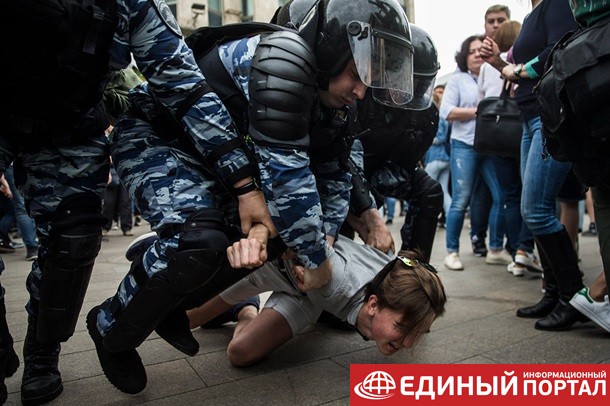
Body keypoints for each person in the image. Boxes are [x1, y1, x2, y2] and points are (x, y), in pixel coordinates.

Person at [84, 0, 415, 396]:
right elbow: (289, 179)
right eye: (356, 75)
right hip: (159, 139)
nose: (360, 91)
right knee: (198, 241)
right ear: (331, 52)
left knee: (266, 244)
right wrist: (318, 264)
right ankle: (110, 327)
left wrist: (323, 240)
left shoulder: (335, 105)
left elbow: (333, 178)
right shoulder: (285, 60)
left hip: (221, 165)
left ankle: (168, 298)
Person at [184, 224, 447, 366]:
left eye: (415, 332)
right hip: (277, 268)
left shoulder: (396, 279)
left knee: (240, 353)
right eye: (401, 328)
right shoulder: (336, 283)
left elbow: (422, 279)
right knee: (187, 320)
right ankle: (243, 298)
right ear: (373, 304)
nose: (408, 343)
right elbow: (299, 224)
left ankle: (246, 310)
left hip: (310, 294)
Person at [480, 0, 585, 331]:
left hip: (548, 119)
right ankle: (554, 294)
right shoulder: (532, 15)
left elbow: (559, 50)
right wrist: (499, 63)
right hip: (529, 120)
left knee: (536, 209)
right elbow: (519, 70)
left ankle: (573, 298)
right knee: (536, 209)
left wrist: (517, 70)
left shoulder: (558, 4)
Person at [343, 24, 443, 263]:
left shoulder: (427, 115)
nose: (407, 90)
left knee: (429, 192)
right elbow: (343, 155)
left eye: (417, 84)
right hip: (347, 173)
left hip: (386, 172)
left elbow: (407, 164)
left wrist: (379, 192)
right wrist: (369, 211)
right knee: (340, 207)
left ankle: (412, 267)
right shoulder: (359, 97)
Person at [441, 34, 510, 271]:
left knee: (501, 196)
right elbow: (447, 112)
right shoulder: (457, 80)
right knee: (461, 200)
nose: (477, 55)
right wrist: (480, 112)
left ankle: (495, 249)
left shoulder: (495, 74)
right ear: (464, 56)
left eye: (481, 50)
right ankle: (452, 252)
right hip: (464, 146)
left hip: (490, 146)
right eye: (472, 51)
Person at [469, 4, 512, 259]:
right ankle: (490, 244)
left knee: (505, 194)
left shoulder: (518, 54)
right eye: (491, 21)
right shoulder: (484, 66)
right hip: (488, 140)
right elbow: (480, 103)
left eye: (501, 20)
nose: (496, 25)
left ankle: (506, 246)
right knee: (488, 193)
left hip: (513, 136)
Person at [424, 84, 451, 229]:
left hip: (435, 158)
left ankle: (428, 221)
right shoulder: (444, 117)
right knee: (444, 192)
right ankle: (450, 221)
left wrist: (425, 138)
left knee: (425, 191)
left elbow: (439, 138)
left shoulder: (435, 116)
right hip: (445, 158)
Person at [0, 165, 39, 261]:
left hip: (12, 167)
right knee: (22, 208)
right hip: (18, 166)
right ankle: (32, 247)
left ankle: (32, 247)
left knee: (17, 209)